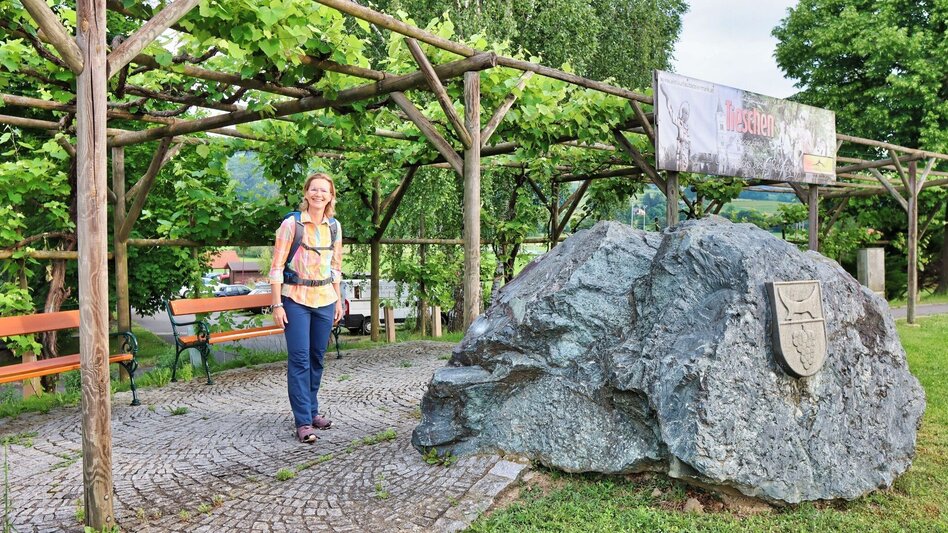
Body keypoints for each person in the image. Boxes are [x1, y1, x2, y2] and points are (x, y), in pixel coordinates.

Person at [269, 173, 344, 443]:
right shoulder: (292, 225)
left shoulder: (334, 227)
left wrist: (337, 300)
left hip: (324, 299)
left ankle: (312, 412)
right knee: (299, 360)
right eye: (314, 190)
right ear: (306, 193)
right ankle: (303, 422)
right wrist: (277, 304)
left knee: (316, 358)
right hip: (296, 299)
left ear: (331, 196)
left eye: (324, 191)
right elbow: (276, 268)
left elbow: (335, 268)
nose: (318, 194)